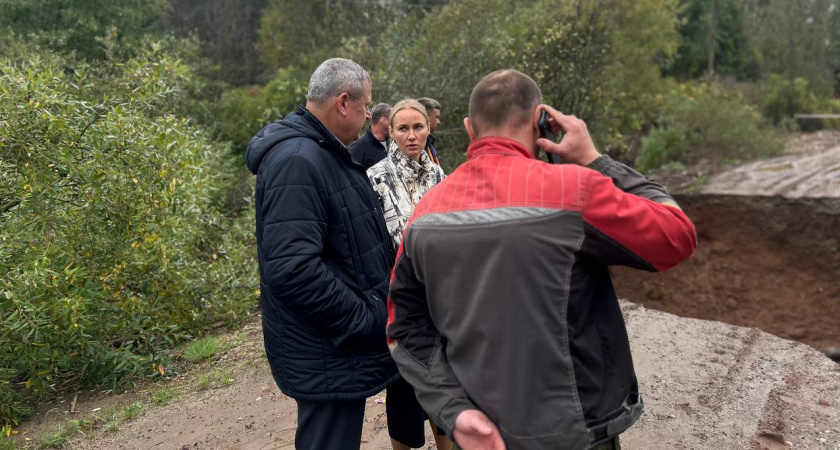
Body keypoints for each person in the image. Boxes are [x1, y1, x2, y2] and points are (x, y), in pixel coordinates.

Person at [386, 70, 697, 450]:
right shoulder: (575, 190)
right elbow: (676, 235)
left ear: (469, 128)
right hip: (573, 432)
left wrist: (454, 410)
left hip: (482, 432)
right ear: (541, 122)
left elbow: (403, 327)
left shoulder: (426, 212)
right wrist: (595, 159)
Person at [245, 58, 399, 450]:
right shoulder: (298, 160)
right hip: (327, 347)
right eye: (367, 106)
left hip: (333, 346)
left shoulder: (324, 151)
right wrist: (364, 320)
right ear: (343, 102)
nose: (369, 116)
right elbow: (293, 269)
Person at [366, 99, 449, 450]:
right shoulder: (375, 176)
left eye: (418, 127)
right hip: (398, 295)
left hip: (441, 295)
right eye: (403, 128)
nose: (411, 135)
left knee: (446, 381)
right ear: (391, 131)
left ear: (428, 129)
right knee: (402, 386)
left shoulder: (439, 174)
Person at [350, 102, 392, 169]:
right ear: (384, 121)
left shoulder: (393, 143)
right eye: (392, 119)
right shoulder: (358, 147)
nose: (395, 123)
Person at [417, 97, 442, 165]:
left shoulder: (429, 141)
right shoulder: (414, 144)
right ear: (426, 117)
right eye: (436, 117)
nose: (438, 122)